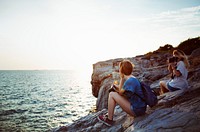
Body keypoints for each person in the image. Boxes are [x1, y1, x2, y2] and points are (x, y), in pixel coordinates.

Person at [97, 60, 147, 126]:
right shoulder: (133, 78)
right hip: (141, 108)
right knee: (115, 93)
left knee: (112, 94)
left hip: (137, 110)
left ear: (121, 70)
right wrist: (116, 87)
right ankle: (109, 113)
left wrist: (121, 78)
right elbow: (123, 90)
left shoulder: (129, 81)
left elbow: (120, 92)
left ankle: (109, 119)